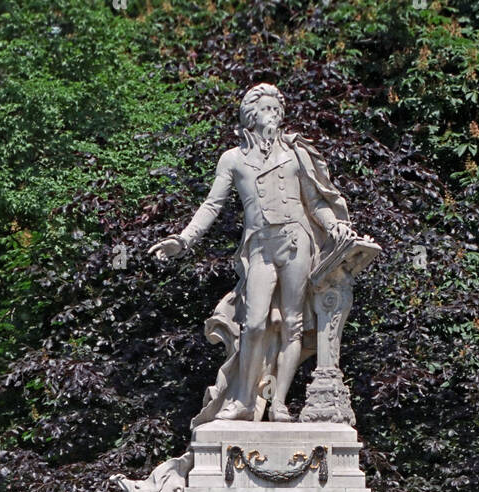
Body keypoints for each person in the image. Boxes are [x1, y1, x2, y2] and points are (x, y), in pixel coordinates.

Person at [150, 83, 357, 424]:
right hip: (259, 246)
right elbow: (211, 204)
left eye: (277, 108)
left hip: (296, 241)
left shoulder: (295, 154)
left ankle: (278, 403)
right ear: (250, 115)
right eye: (266, 108)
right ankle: (244, 401)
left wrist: (333, 225)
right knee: (255, 323)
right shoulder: (233, 159)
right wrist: (184, 240)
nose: (273, 114)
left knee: (293, 323)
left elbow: (316, 201)